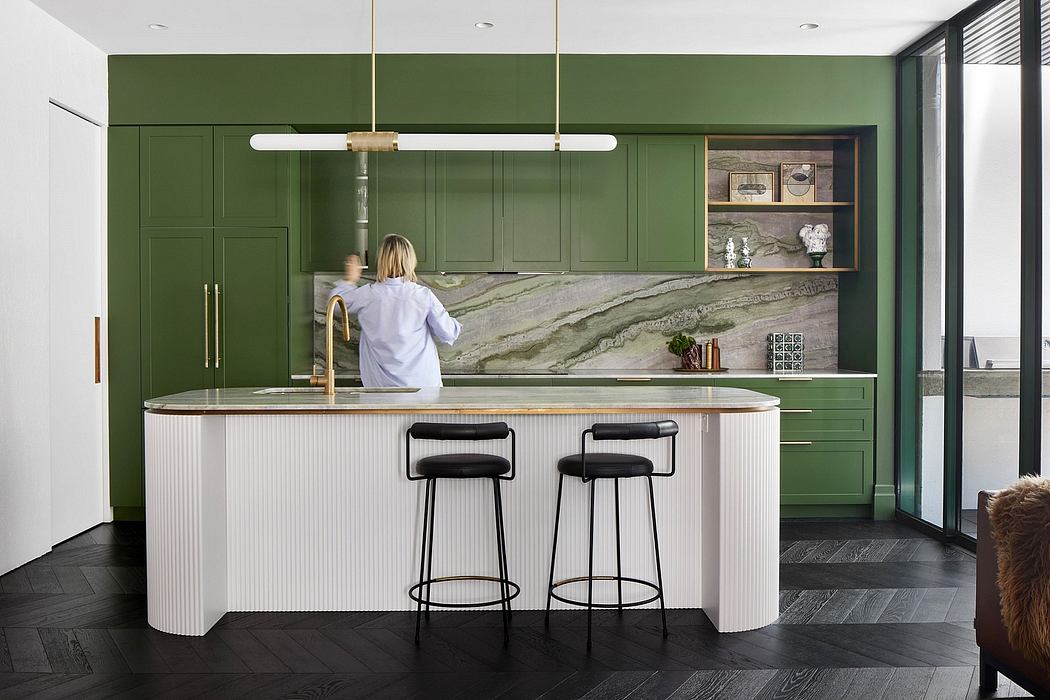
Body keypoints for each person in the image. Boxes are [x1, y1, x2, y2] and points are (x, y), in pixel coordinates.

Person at [330, 234, 462, 387]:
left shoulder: (367, 294)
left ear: (381, 261)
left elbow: (334, 304)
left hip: (380, 389)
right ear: (410, 261)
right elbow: (448, 333)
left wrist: (350, 280)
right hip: (424, 388)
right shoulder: (422, 295)